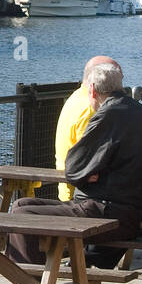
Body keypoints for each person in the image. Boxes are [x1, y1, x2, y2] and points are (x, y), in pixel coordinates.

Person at [8, 61, 142, 268]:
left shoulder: (107, 115)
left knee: (23, 215)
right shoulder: (139, 111)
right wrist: (91, 173)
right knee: (21, 204)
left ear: (92, 90)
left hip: (104, 212)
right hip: (125, 211)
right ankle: (32, 279)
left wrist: (89, 174)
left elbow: (74, 168)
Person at [54, 56, 119, 202]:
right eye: (114, 78)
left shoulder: (76, 96)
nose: (119, 86)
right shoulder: (91, 109)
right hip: (81, 196)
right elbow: (90, 161)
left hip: (70, 189)